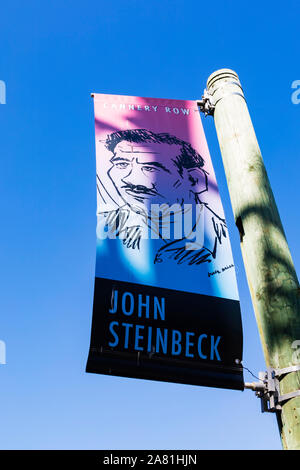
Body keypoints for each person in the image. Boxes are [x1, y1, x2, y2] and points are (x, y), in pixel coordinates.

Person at [97, 128, 227, 266]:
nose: (130, 180)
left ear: (193, 179)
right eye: (121, 164)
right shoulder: (111, 234)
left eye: (150, 168)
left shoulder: (223, 239)